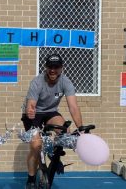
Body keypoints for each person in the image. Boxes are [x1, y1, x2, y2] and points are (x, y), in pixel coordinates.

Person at [21, 54, 83, 189]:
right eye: (50, 67)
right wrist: (30, 110)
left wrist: (81, 128)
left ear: (62, 68)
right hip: (33, 114)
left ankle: (54, 155)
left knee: (65, 131)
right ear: (46, 67)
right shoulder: (37, 82)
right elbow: (30, 105)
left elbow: (73, 107)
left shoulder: (65, 82)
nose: (53, 70)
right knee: (36, 146)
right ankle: (31, 179)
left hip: (50, 112)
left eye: (56, 67)